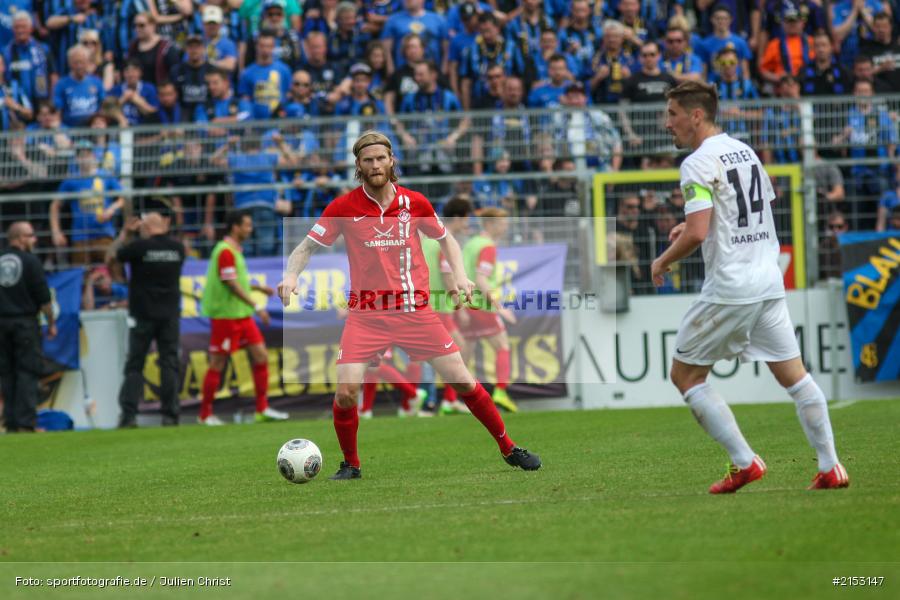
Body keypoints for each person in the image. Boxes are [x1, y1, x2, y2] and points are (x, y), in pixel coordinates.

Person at [277, 131, 540, 479]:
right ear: (358, 165)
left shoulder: (414, 203)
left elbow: (447, 241)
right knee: (345, 393)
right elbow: (305, 247)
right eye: (367, 160)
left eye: (380, 158)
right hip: (366, 315)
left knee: (463, 382)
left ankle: (509, 447)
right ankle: (351, 465)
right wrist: (291, 276)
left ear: (391, 161)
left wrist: (460, 276)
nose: (375, 165)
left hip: (415, 312)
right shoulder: (343, 207)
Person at [651, 81, 849, 493]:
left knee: (685, 375)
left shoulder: (696, 162)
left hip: (732, 287)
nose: (666, 123)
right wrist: (689, 226)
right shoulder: (744, 150)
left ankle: (745, 462)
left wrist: (663, 259)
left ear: (696, 115)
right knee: (796, 378)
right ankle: (831, 467)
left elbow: (701, 231)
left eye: (672, 114)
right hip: (768, 280)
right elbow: (745, 214)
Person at [198, 210, 289, 425]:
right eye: (247, 225)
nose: (250, 229)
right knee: (218, 363)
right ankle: (205, 415)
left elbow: (235, 279)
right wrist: (257, 305)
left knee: (261, 355)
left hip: (241, 315)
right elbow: (230, 283)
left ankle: (262, 409)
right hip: (225, 316)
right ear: (235, 227)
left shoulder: (235, 251)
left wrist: (257, 287)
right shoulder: (225, 251)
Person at [106, 211, 186, 428]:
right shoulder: (178, 249)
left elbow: (111, 258)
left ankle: (129, 415)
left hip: (142, 315)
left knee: (135, 364)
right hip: (169, 315)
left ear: (145, 227)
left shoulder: (139, 247)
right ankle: (170, 415)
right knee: (169, 363)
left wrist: (125, 233)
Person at [459, 207, 519, 413]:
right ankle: (501, 392)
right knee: (502, 346)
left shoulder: (471, 244)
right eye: (502, 223)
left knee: (463, 358)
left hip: (465, 305)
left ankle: (451, 401)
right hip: (482, 306)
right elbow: (481, 279)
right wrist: (499, 308)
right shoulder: (487, 247)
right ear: (491, 224)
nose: (506, 227)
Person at [420, 194, 474, 415]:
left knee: (435, 356)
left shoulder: (428, 239)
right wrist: (459, 306)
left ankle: (438, 400)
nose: (468, 223)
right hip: (439, 307)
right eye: (467, 218)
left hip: (427, 304)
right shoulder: (444, 238)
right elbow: (447, 275)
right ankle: (441, 400)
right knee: (459, 349)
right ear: (459, 217)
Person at [0, 221, 55, 433]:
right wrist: (51, 324)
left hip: (1, 323)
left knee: (7, 373)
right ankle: (25, 422)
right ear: (20, 238)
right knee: (27, 371)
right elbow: (44, 297)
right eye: (31, 235)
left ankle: (11, 422)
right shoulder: (30, 261)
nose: (35, 240)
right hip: (24, 323)